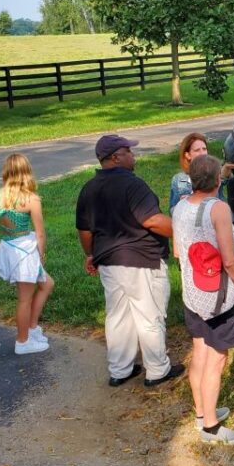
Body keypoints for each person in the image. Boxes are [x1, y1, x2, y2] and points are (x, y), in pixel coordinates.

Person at [76, 134, 184, 387]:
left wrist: (90, 254)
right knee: (149, 315)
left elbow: (84, 230)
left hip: (109, 262)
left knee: (118, 316)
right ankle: (157, 370)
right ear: (115, 157)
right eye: (128, 151)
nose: (133, 155)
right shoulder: (132, 185)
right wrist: (185, 231)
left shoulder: (89, 188)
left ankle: (120, 369)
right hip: (142, 260)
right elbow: (152, 220)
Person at [172, 154, 234, 445]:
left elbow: (178, 252)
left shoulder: (181, 206)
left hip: (192, 294)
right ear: (218, 179)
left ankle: (202, 412)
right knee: (216, 359)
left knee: (200, 352)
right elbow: (229, 260)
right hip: (217, 297)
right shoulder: (218, 209)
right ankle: (211, 428)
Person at [0, 153, 54, 355]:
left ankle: (32, 328)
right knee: (24, 299)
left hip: (8, 247)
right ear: (26, 172)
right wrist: (40, 256)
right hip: (25, 252)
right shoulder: (31, 199)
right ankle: (22, 342)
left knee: (47, 284)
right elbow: (40, 233)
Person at [168, 132, 234, 215]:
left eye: (204, 149)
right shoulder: (178, 180)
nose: (202, 153)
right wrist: (181, 204)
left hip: (216, 218)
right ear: (188, 155)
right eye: (197, 150)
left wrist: (227, 168)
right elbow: (172, 210)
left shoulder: (214, 170)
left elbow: (222, 178)